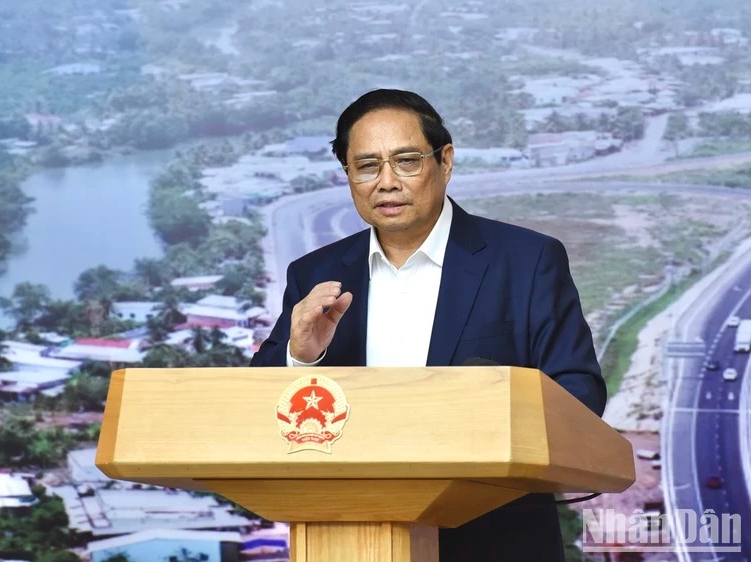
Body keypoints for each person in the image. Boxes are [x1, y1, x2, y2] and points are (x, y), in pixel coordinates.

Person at [250, 88, 606, 561]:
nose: (387, 182)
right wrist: (302, 357)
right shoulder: (314, 274)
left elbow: (579, 393)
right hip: (349, 536)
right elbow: (254, 407)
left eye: (406, 161)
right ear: (348, 175)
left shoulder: (527, 260)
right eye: (367, 166)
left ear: (445, 161)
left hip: (496, 540)